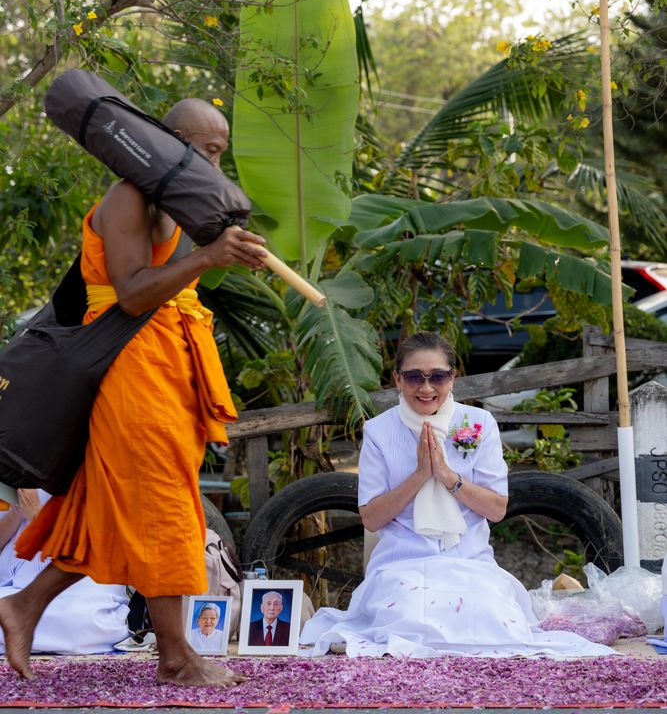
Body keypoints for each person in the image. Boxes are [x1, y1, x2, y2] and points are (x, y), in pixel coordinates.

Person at [0, 99, 267, 685]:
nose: (215, 166)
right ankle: (175, 657)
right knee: (164, 502)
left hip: (166, 362)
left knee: (110, 506)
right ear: (167, 142)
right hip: (129, 364)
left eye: (222, 154)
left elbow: (175, 281)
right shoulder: (128, 197)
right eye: (206, 151)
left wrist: (227, 253)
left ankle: (23, 606)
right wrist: (207, 256)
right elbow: (132, 294)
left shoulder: (176, 204)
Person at [300, 331, 615, 659]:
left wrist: (448, 477)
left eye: (437, 376)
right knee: (406, 621)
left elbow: (496, 509)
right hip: (401, 565)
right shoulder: (379, 431)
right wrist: (420, 475)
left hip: (468, 561)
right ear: (397, 379)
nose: (426, 387)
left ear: (453, 377)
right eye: (414, 377)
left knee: (489, 619)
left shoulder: (477, 423)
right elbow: (372, 517)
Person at [0, 490, 129, 654]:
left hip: (81, 579)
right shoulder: (13, 468)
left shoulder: (101, 472)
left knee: (81, 621)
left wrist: (36, 516)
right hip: (11, 584)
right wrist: (16, 513)